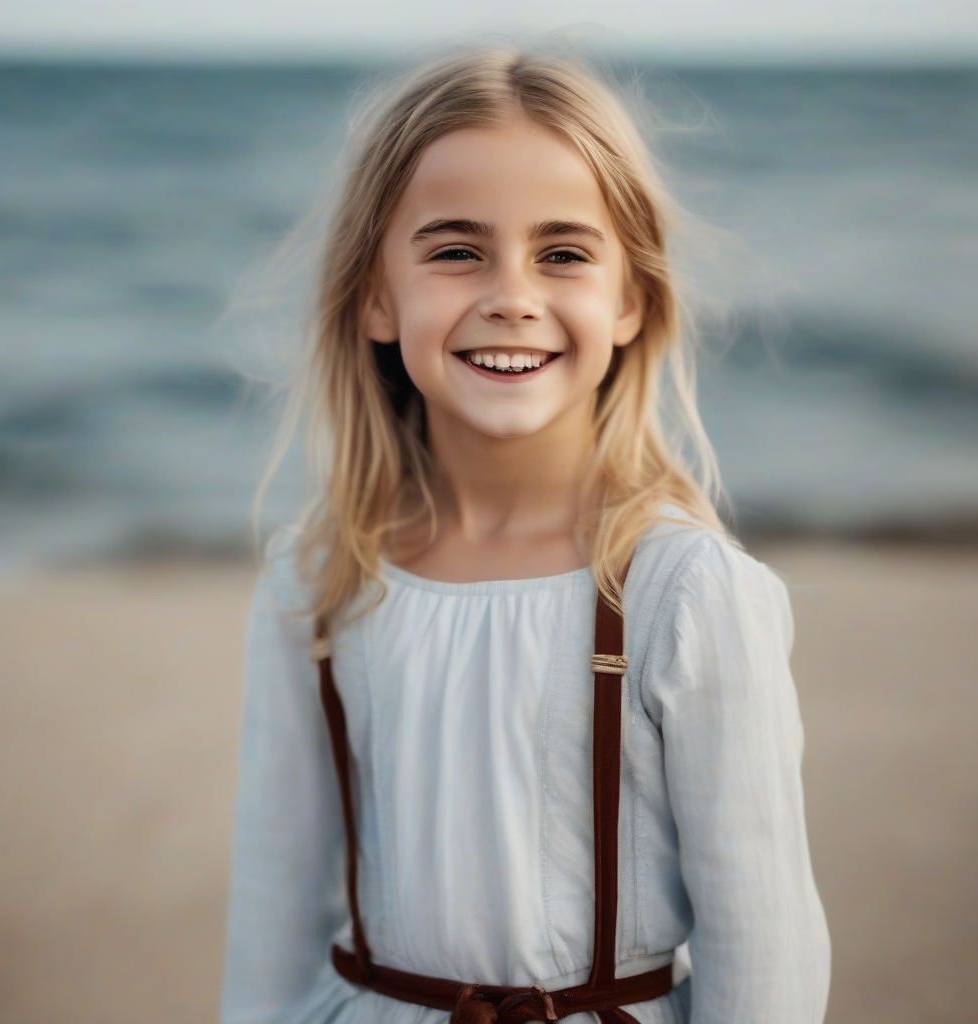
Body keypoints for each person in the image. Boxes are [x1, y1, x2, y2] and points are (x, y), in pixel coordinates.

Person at [220, 49, 830, 1024]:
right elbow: (271, 902)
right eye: (456, 251)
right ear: (376, 296)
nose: (511, 294)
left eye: (563, 253)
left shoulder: (684, 590)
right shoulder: (317, 578)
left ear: (630, 300)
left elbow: (766, 950)